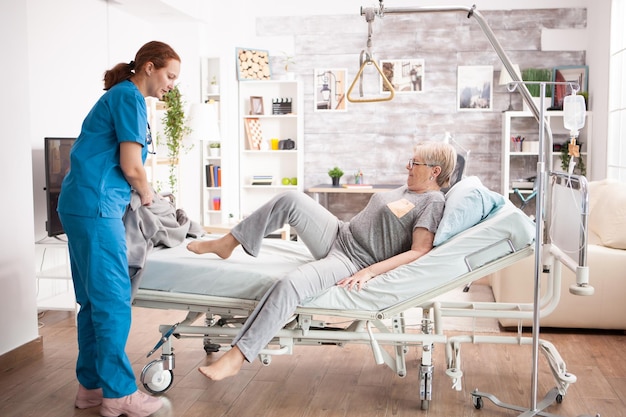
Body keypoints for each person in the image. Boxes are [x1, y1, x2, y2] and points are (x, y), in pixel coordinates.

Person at [187, 141, 457, 381]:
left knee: (291, 284)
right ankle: (227, 243)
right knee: (290, 198)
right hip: (339, 232)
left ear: (435, 171)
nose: (407, 167)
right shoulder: (410, 189)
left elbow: (420, 251)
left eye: (415, 163)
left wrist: (370, 272)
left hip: (352, 258)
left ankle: (237, 356)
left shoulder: (432, 202)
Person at [57, 41, 180, 417]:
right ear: (148, 67)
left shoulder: (120, 95)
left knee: (93, 302)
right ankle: (120, 394)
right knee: (112, 303)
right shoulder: (130, 98)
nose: (172, 85)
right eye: (169, 76)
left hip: (79, 204)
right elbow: (131, 165)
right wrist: (148, 194)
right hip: (96, 207)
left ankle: (91, 389)